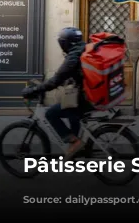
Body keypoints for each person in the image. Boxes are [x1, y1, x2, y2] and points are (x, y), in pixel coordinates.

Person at [21, 27, 93, 159]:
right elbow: (67, 75)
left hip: (86, 98)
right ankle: (76, 146)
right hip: (89, 97)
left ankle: (75, 143)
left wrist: (35, 90)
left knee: (51, 113)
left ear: (65, 43)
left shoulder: (73, 56)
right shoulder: (82, 49)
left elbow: (57, 79)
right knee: (71, 111)